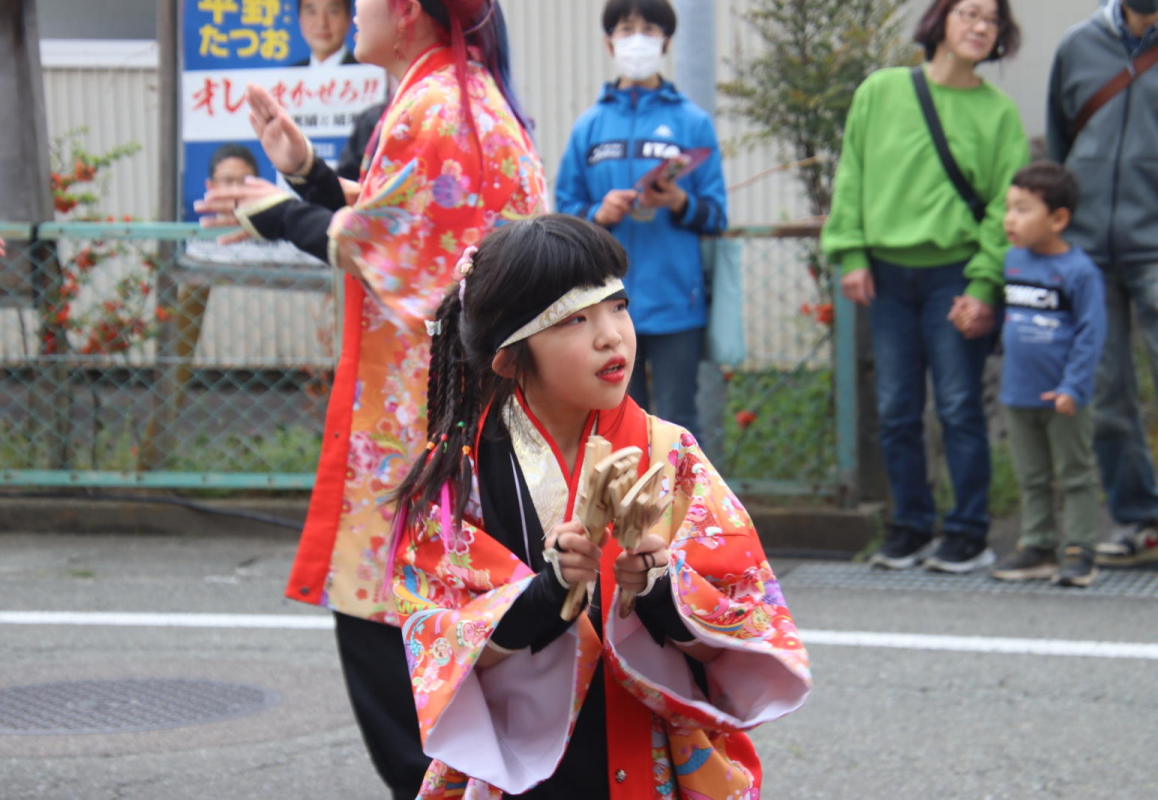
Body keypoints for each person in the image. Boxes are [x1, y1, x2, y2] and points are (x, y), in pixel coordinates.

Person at [195, 2, 546, 798]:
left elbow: (389, 240)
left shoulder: (434, 106)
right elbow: (416, 214)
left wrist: (281, 210)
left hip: (421, 422)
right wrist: (310, 175)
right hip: (453, 413)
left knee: (395, 628)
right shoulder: (455, 96)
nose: (351, 12)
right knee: (440, 626)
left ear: (409, 11)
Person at [387, 214, 811, 798]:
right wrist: (549, 591)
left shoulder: (670, 452)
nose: (611, 335)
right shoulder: (462, 475)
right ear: (510, 358)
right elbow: (436, 634)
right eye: (575, 320)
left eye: (617, 305)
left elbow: (748, 609)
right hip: (523, 772)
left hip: (647, 753)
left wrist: (661, 589)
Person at [822, 0, 1029, 573]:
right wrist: (852, 253)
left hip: (957, 272)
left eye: (992, 20)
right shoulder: (881, 91)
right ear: (941, 20)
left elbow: (1004, 209)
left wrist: (986, 284)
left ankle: (967, 531)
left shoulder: (998, 114)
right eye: (969, 12)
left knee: (961, 405)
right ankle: (909, 527)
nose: (980, 26)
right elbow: (853, 173)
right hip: (885, 273)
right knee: (896, 406)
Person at [554, 0, 727, 442]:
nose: (637, 38)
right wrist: (598, 215)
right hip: (603, 306)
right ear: (608, 41)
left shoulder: (692, 122)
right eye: (626, 27)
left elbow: (716, 216)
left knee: (678, 421)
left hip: (676, 303)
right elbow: (562, 213)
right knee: (613, 423)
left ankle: (693, 512)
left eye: (649, 29)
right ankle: (621, 513)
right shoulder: (589, 126)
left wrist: (678, 201)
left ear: (666, 41)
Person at [1047, 0, 1158, 567]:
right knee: (1107, 392)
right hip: (1088, 252)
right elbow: (1059, 148)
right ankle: (1141, 522)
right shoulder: (1077, 46)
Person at [990, 163, 1107, 588]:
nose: (1010, 219)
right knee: (1032, 474)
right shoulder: (1013, 262)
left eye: (1022, 209)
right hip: (1018, 393)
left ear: (1058, 219)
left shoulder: (1079, 271)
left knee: (1074, 472)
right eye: (1008, 208)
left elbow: (1092, 334)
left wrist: (1073, 385)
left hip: (1063, 395)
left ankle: (1080, 549)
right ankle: (1037, 544)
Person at [291, 0, 359, 67]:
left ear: (348, 19)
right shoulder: (290, 75)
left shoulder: (364, 73)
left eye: (332, 11)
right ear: (300, 19)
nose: (322, 23)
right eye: (312, 12)